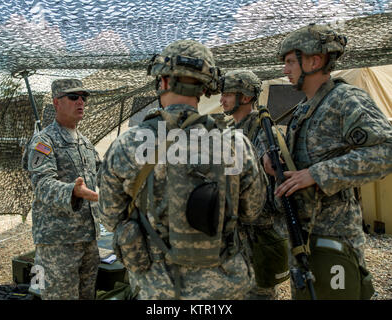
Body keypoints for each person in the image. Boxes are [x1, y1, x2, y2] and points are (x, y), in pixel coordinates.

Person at [98, 40, 267, 300]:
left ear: (163, 81)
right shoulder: (236, 144)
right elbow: (251, 211)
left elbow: (110, 217)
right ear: (206, 87)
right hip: (224, 288)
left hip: (159, 290)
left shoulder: (129, 144)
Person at [263, 23, 392, 299]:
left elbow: (386, 152)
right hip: (305, 241)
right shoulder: (303, 110)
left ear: (314, 60)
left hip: (335, 240)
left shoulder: (345, 99)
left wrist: (317, 174)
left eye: (289, 62)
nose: (284, 70)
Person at [23, 79, 101, 299]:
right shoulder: (44, 141)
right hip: (58, 244)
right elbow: (42, 184)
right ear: (56, 102)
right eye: (73, 97)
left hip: (88, 239)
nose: (81, 102)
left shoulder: (86, 144)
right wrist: (72, 191)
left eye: (83, 98)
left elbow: (102, 176)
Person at [220, 69, 289, 300]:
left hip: (257, 230)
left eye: (228, 94)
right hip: (234, 229)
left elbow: (274, 179)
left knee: (258, 292)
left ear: (246, 97)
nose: (222, 100)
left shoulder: (263, 131)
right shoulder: (230, 131)